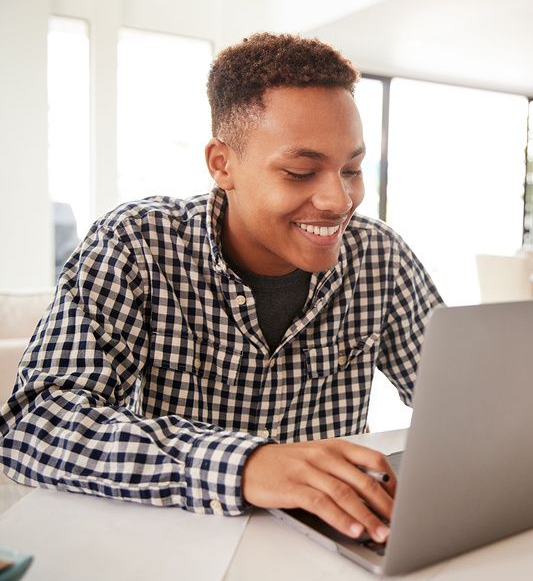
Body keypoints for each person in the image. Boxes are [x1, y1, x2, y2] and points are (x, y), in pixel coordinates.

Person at [0, 33, 443, 545]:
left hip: (327, 543)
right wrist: (248, 464)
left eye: (352, 169)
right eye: (301, 172)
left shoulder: (378, 256)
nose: (338, 199)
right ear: (222, 164)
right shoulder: (137, 244)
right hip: (174, 544)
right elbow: (36, 424)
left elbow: (462, 399)